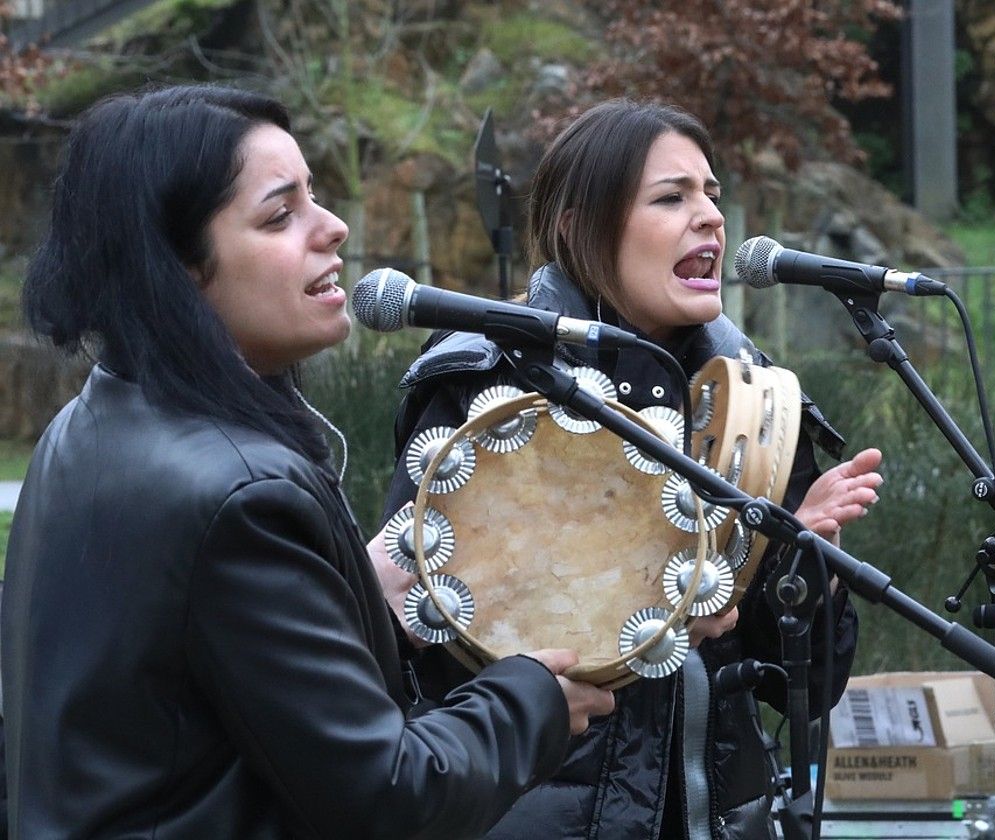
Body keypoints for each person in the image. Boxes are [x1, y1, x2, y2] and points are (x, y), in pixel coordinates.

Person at [1, 84, 613, 839]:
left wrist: (362, 604)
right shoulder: (238, 495)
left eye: (315, 197)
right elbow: (388, 798)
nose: (334, 227)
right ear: (178, 266)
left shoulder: (90, 423)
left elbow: (189, 698)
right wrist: (534, 701)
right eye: (279, 214)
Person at [376, 98, 884, 839]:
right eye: (671, 197)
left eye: (711, 194)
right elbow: (415, 634)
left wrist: (805, 566)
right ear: (577, 226)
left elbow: (807, 689)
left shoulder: (752, 400)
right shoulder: (487, 387)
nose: (710, 216)